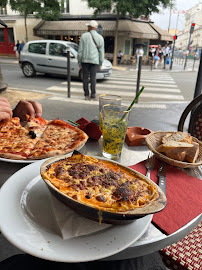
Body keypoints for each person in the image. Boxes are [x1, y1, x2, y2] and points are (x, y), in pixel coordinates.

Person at [78, 20, 104, 101]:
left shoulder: (83, 36)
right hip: (95, 61)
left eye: (88, 26)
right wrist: (100, 64)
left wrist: (79, 62)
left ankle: (86, 95)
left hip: (84, 61)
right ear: (95, 28)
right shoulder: (100, 38)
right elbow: (101, 53)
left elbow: (80, 51)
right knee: (93, 78)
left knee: (85, 78)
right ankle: (93, 96)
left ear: (90, 27)